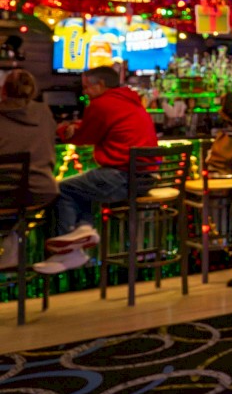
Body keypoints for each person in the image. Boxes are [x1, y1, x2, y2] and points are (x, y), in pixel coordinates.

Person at [34, 65, 157, 274]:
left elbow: (85, 137)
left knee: (62, 189)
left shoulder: (101, 104)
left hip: (121, 178)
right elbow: (100, 125)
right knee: (85, 187)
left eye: (86, 87)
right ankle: (83, 231)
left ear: (100, 85)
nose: (84, 93)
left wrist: (64, 129)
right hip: (146, 179)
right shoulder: (129, 99)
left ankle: (67, 253)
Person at [0, 70, 58, 270]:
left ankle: (9, 240)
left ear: (3, 91)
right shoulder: (44, 112)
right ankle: (10, 238)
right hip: (42, 192)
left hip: (5, 195)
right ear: (33, 91)